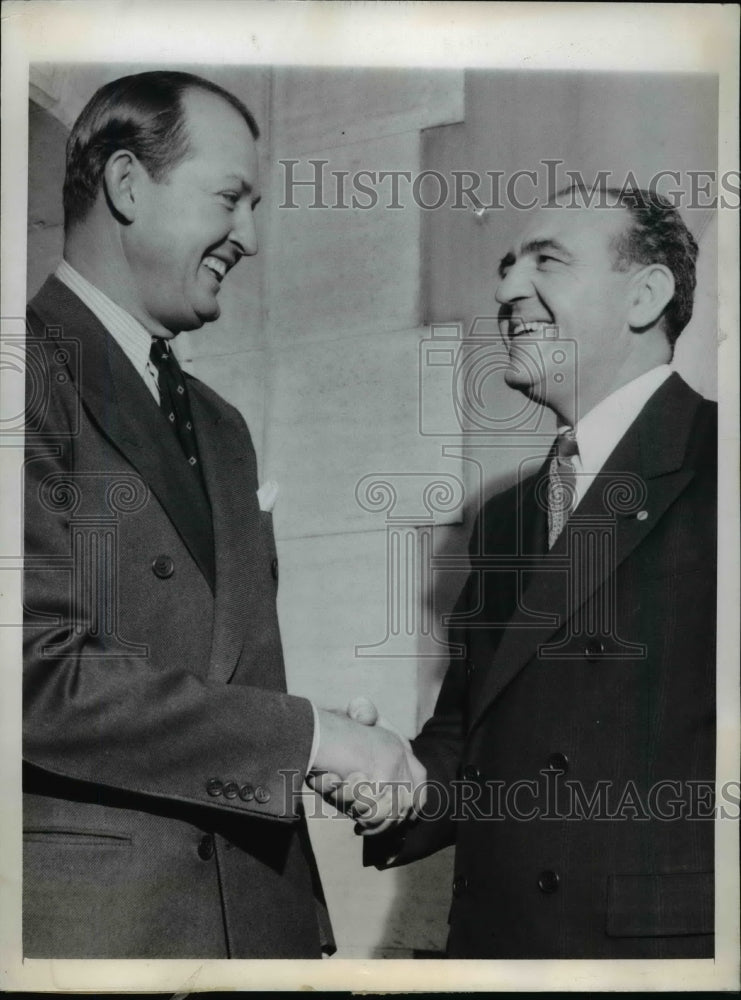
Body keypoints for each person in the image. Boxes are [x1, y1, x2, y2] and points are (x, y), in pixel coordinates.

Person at [22, 69, 421, 959]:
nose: (249, 236)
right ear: (128, 185)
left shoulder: (222, 426)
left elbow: (225, 672)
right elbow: (30, 677)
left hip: (259, 924)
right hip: (102, 938)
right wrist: (314, 738)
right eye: (230, 199)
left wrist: (318, 747)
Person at [325, 186, 717, 959]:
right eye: (506, 268)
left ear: (645, 295)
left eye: (547, 262)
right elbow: (471, 734)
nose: (505, 290)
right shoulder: (505, 517)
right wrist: (396, 782)